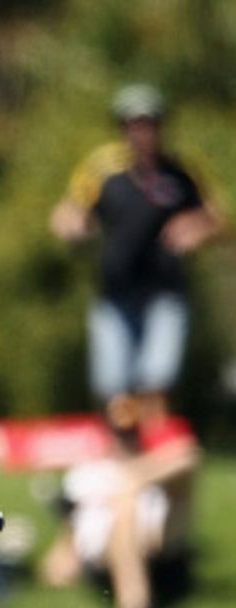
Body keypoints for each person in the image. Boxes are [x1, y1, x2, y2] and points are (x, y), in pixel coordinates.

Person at [49, 83, 225, 416]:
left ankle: (158, 460)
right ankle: (123, 462)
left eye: (149, 124)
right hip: (114, 295)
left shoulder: (181, 173)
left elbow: (216, 218)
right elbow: (67, 213)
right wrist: (73, 227)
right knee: (114, 390)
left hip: (164, 293)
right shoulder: (103, 170)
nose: (142, 133)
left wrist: (195, 229)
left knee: (156, 382)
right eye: (134, 124)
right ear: (123, 128)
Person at [39, 394, 199, 608]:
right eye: (120, 432)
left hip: (155, 542)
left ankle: (134, 607)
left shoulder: (151, 466)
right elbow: (69, 538)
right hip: (102, 551)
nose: (125, 440)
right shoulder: (88, 473)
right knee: (125, 503)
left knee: (132, 496)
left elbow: (190, 458)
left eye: (131, 432)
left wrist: (136, 475)